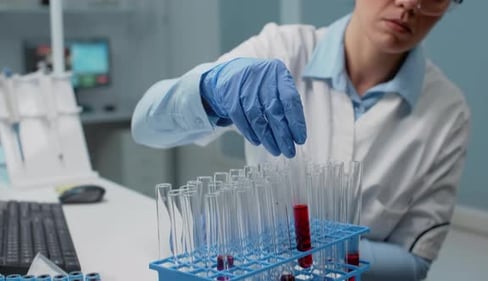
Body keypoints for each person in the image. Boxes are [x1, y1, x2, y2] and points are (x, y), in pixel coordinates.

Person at [131, 0, 470, 280]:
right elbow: (145, 126)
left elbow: (414, 262)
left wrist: (296, 247)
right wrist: (210, 91)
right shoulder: (281, 49)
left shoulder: (446, 111)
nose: (409, 4)